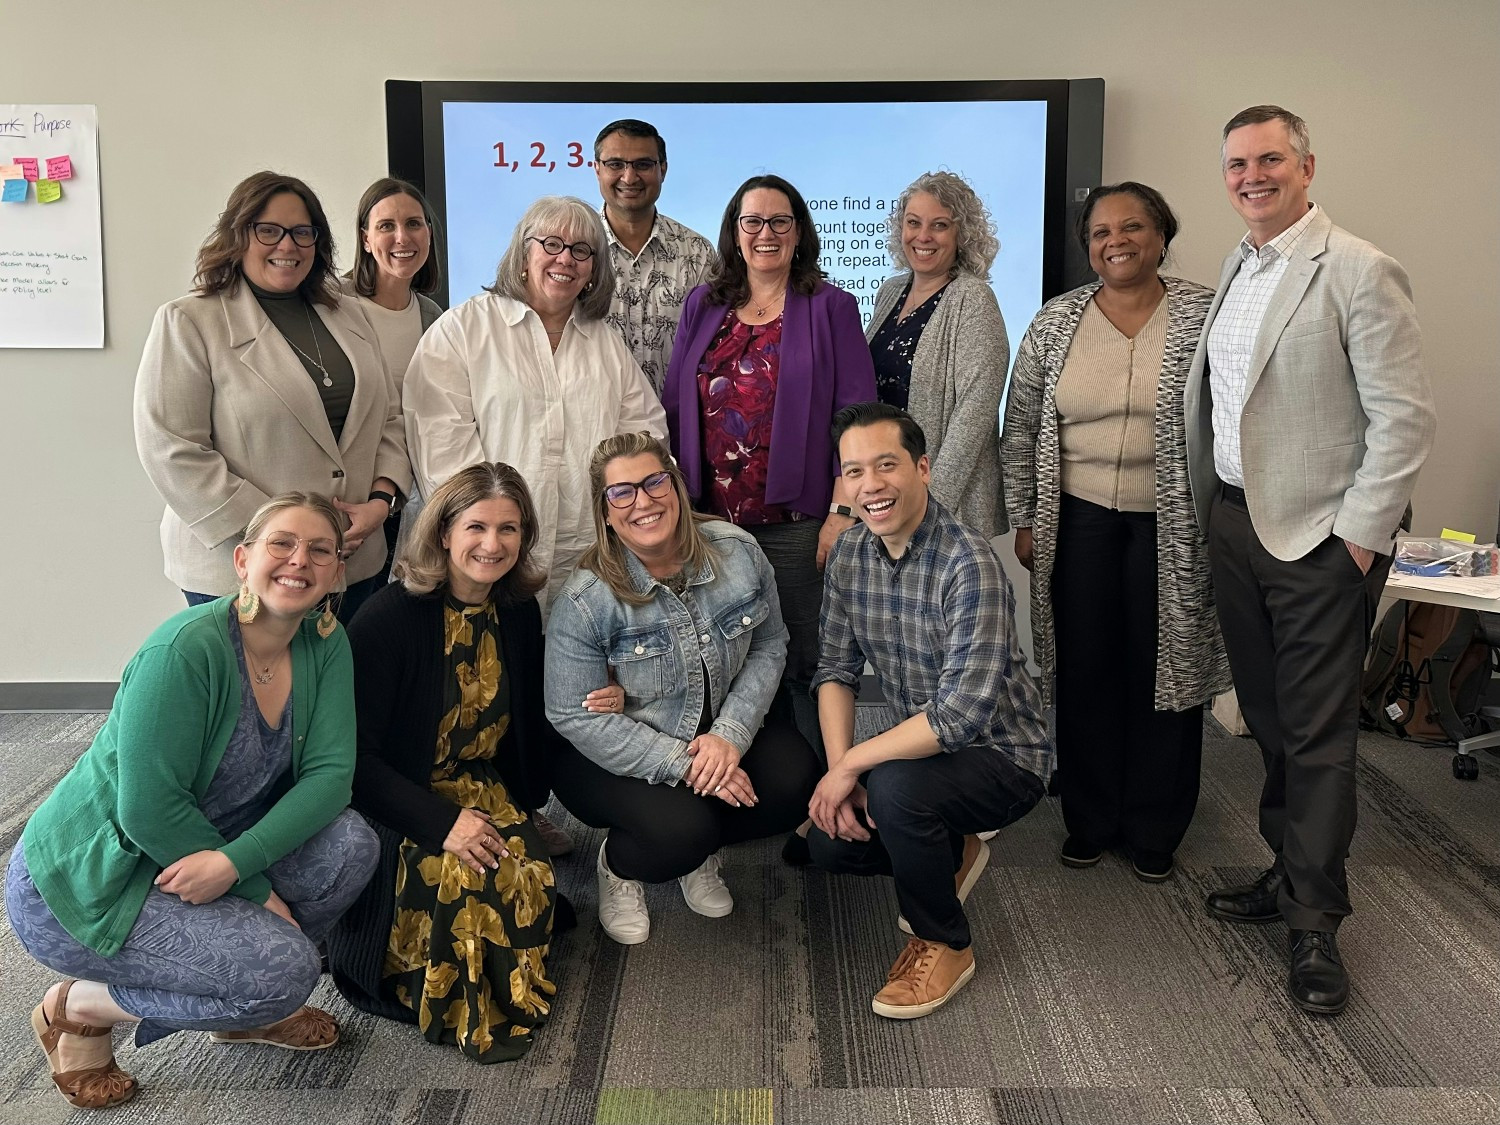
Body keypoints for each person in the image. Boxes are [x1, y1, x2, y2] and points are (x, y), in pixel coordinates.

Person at [6, 494, 378, 1110]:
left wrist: (236, 867)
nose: (299, 561)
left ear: (337, 571)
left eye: (320, 550)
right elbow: (148, 810)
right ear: (242, 560)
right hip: (92, 884)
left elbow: (330, 779)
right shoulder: (185, 650)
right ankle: (78, 1008)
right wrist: (257, 891)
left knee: (350, 845)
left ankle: (245, 1009)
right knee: (288, 970)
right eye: (280, 543)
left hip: (207, 856)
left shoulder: (324, 641)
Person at [1184, 106, 1436, 1015]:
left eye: (1269, 160)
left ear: (1306, 165)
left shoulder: (1359, 269)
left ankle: (1316, 926)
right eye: (1237, 163)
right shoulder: (1239, 265)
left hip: (1321, 540)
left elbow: (1403, 418)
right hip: (1240, 527)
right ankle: (1288, 872)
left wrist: (1357, 542)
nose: (1252, 175)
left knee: (1320, 736)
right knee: (1271, 719)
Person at [328, 463, 603, 1062]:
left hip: (482, 782)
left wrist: (602, 695)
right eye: (476, 526)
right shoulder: (387, 619)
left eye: (509, 529)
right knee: (462, 886)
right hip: (398, 797)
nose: (492, 543)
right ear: (444, 531)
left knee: (517, 876)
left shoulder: (518, 610)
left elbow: (530, 716)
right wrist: (440, 824)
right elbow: (353, 762)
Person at [1000, 182, 1231, 881]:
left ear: (1163, 235)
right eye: (1100, 232)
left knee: (1167, 670)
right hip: (1078, 519)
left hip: (1177, 524)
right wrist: (1024, 514)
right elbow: (1022, 422)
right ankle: (1092, 817)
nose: (1115, 241)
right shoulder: (1056, 319)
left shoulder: (1203, 313)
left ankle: (1156, 823)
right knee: (1088, 666)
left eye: (1132, 227)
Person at [807, 403, 1052, 1020]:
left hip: (1003, 755)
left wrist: (854, 769)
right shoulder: (850, 556)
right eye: (854, 471)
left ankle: (945, 941)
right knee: (829, 845)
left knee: (893, 792)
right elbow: (834, 670)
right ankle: (951, 846)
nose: (871, 486)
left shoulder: (968, 562)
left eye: (886, 466)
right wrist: (841, 770)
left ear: (922, 469)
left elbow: (959, 718)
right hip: (919, 752)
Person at [544, 432, 820, 945]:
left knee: (794, 782)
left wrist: (731, 735)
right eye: (621, 493)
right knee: (682, 831)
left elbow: (770, 643)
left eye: (654, 482)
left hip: (714, 734)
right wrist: (685, 763)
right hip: (616, 753)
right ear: (605, 512)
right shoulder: (586, 599)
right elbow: (574, 716)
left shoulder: (738, 552)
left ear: (677, 485)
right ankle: (620, 867)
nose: (643, 502)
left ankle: (699, 850)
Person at [662, 173, 877, 757]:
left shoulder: (830, 305)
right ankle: (749, 776)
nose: (765, 233)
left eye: (779, 221)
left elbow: (856, 418)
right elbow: (675, 403)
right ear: (735, 231)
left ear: (798, 231)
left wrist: (841, 510)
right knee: (727, 653)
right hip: (708, 520)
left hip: (796, 520)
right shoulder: (704, 305)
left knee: (808, 656)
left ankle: (824, 791)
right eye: (752, 221)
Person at [134, 171, 410, 624]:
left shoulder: (351, 315)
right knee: (256, 696)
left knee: (334, 692)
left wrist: (380, 503)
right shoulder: (190, 321)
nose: (288, 245)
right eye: (269, 230)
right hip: (242, 568)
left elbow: (391, 420)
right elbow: (172, 448)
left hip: (353, 565)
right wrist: (286, 538)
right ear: (238, 235)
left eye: (303, 232)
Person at [403, 194, 667, 614]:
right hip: (486, 558)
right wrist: (494, 531)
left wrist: (629, 513)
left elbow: (643, 436)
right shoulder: (462, 330)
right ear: (523, 254)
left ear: (594, 271)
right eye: (552, 244)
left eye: (582, 251)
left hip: (587, 554)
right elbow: (441, 447)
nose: (566, 259)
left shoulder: (605, 342)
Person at [867, 170, 1009, 537]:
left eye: (940, 225)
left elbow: (975, 414)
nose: (923, 236)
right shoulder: (890, 291)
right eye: (913, 223)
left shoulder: (973, 298)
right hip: (886, 493)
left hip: (941, 505)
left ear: (962, 235)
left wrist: (929, 503)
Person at [341, 177, 446, 581]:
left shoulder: (434, 319)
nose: (402, 237)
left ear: (429, 234)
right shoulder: (330, 304)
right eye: (386, 226)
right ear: (366, 239)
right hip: (339, 500)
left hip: (397, 502)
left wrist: (384, 498)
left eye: (414, 224)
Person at [593, 118, 716, 394]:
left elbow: (716, 351)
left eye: (643, 164)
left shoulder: (698, 252)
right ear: (597, 169)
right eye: (615, 164)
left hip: (677, 428)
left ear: (663, 169)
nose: (629, 177)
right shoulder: (574, 250)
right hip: (595, 428)